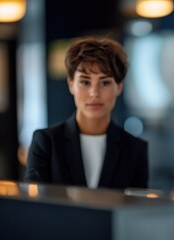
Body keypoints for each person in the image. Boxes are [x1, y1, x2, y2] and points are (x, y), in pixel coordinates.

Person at [25, 37, 148, 190]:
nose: (94, 93)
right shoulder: (46, 142)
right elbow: (36, 206)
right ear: (71, 84)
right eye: (85, 82)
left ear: (119, 87)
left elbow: (136, 211)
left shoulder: (135, 149)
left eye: (105, 82)